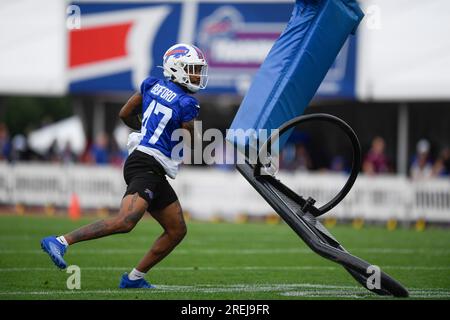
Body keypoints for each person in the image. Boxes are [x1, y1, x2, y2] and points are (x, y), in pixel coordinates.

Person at [40, 43, 208, 289]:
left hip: (149, 164)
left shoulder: (151, 84)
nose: (197, 75)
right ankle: (60, 241)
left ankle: (133, 279)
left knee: (176, 229)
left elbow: (125, 113)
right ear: (177, 68)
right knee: (126, 220)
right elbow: (190, 140)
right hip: (146, 164)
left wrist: (147, 130)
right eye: (193, 69)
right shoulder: (186, 103)